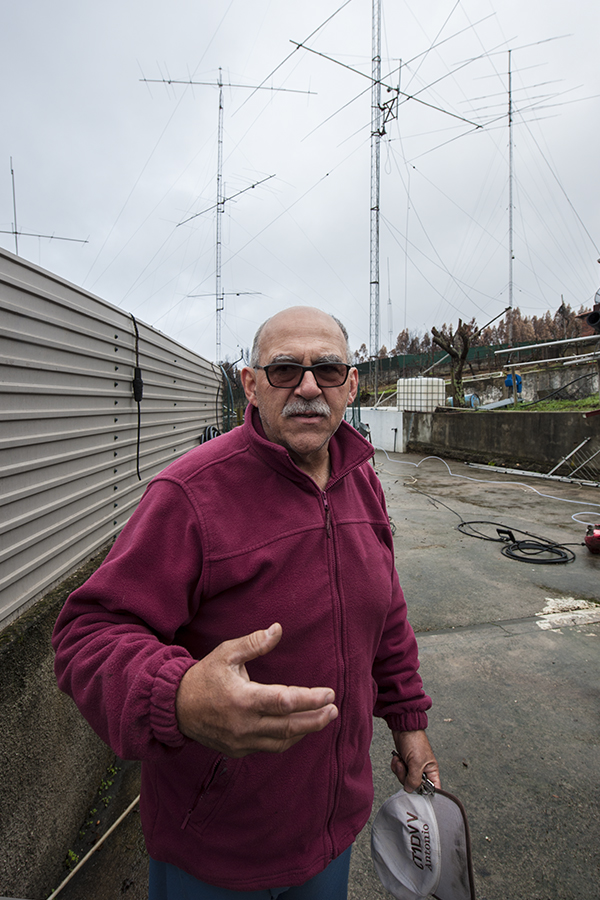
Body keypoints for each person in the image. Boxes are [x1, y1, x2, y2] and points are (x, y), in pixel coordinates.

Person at [53, 306, 440, 900]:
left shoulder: (362, 480)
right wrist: (178, 698)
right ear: (251, 384)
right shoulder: (189, 494)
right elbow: (87, 633)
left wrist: (409, 725)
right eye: (285, 369)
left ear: (352, 384)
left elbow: (385, 617)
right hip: (213, 855)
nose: (309, 387)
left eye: (327, 369)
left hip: (329, 837)